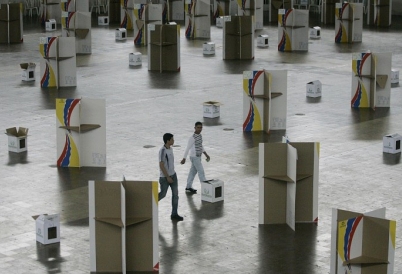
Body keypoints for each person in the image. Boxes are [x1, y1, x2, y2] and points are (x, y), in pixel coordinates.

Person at [159, 133, 183, 221]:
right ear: (168, 141)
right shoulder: (162, 151)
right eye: (172, 139)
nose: (173, 141)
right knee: (162, 194)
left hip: (173, 175)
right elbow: (161, 165)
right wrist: (167, 177)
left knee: (175, 195)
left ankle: (174, 214)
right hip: (165, 178)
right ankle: (150, 204)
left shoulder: (171, 149)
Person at [180, 122, 210, 193]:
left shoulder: (200, 136)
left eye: (201, 127)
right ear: (195, 128)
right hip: (194, 157)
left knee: (192, 172)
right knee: (201, 171)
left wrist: (206, 154)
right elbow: (187, 148)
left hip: (199, 156)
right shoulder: (192, 138)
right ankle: (206, 189)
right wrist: (184, 158)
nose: (199, 129)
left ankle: (188, 187)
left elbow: (200, 146)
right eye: (198, 127)